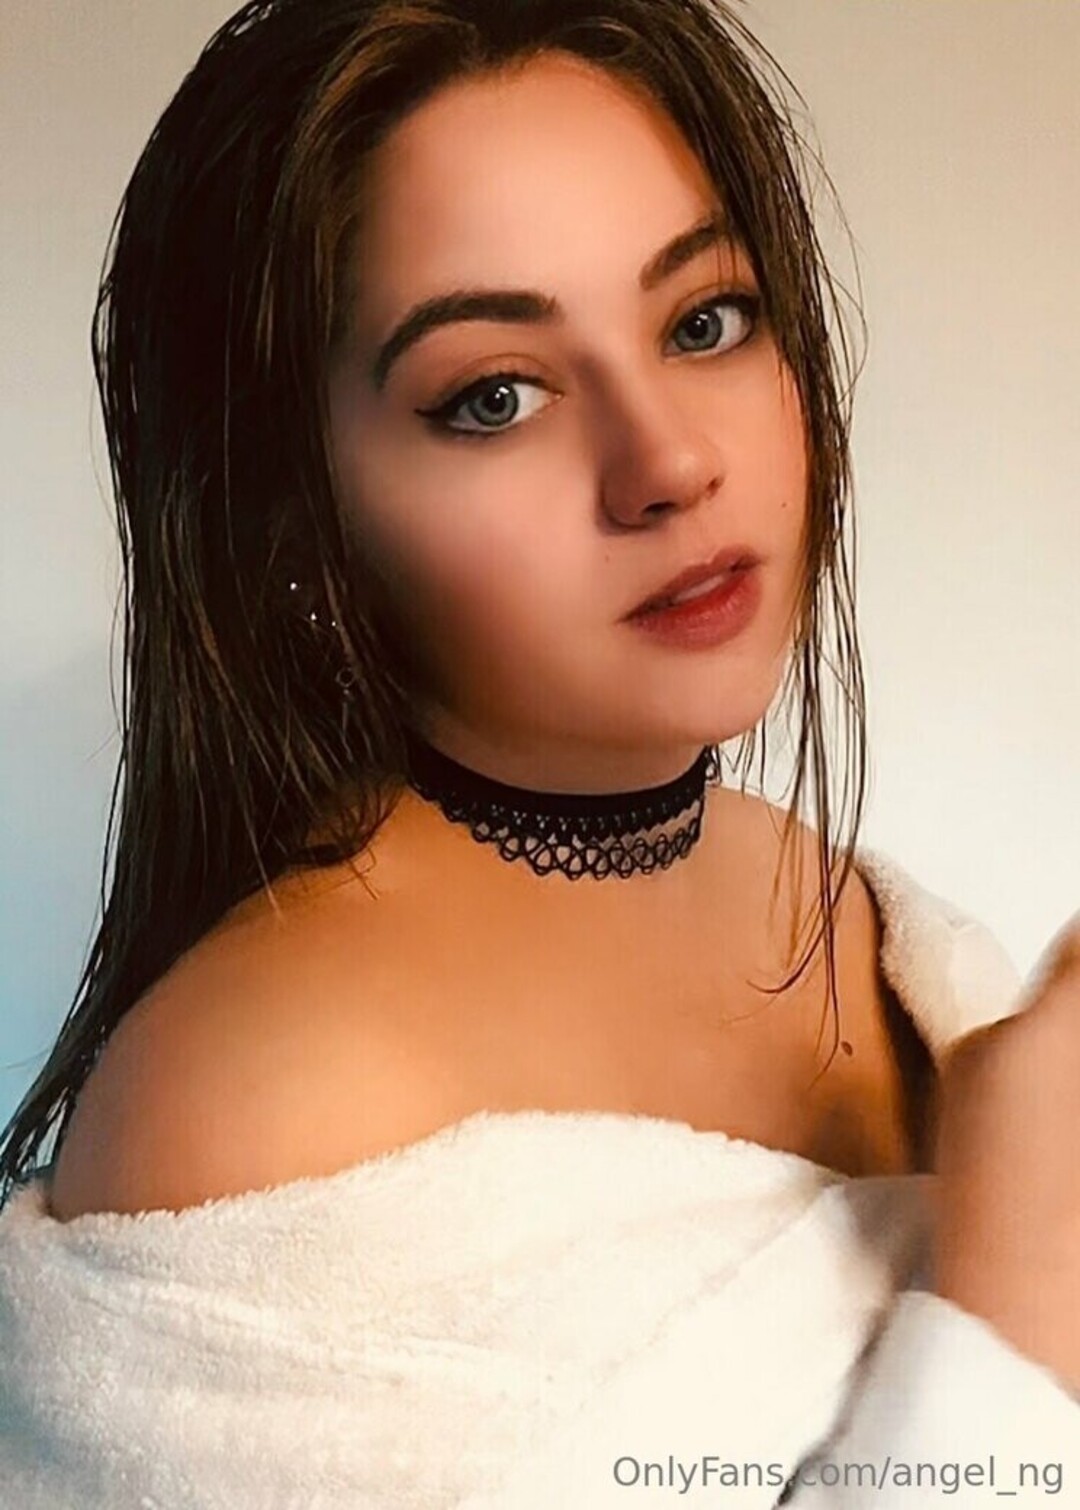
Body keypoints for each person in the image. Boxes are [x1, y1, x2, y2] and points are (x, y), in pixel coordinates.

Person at [1, 1, 1078, 1504]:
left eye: (704, 320)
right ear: (296, 524)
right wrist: (1015, 1309)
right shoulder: (254, 1101)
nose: (669, 461)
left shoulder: (863, 913)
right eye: (493, 398)